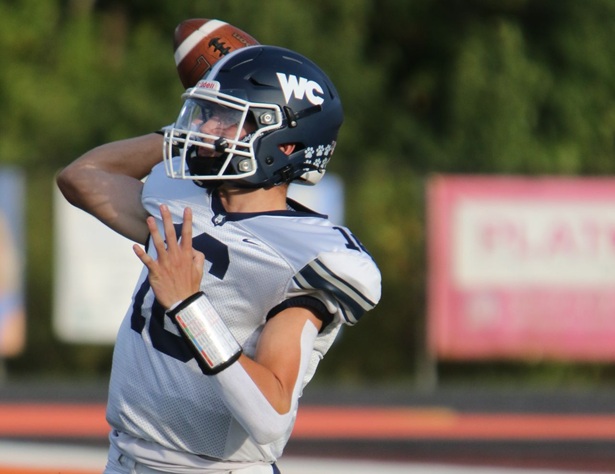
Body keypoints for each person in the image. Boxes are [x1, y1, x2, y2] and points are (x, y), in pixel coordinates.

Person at [57, 45, 381, 473]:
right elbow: (80, 178)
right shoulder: (180, 195)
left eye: (226, 119)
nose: (204, 127)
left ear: (284, 143)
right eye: (205, 114)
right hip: (125, 460)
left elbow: (271, 416)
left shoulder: (305, 254)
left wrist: (190, 307)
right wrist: (181, 132)